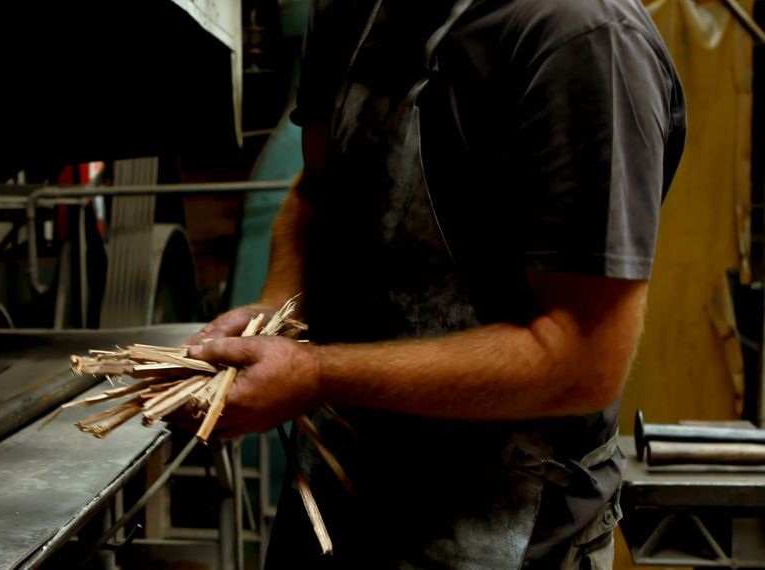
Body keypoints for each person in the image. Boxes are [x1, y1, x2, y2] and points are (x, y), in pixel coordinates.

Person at [184, 0, 687, 567]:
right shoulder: (351, 10)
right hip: (335, 500)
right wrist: (277, 316)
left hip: (502, 527)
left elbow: (581, 359)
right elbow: (318, 193)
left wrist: (316, 374)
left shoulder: (585, 40)